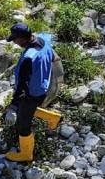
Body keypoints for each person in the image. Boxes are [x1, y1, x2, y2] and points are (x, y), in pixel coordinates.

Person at [4, 23, 62, 162]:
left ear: (23, 38)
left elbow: (22, 87)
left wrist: (12, 107)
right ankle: (53, 118)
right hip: (45, 85)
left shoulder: (29, 58)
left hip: (34, 92)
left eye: (15, 39)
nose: (14, 42)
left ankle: (26, 154)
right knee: (27, 109)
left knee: (23, 123)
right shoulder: (42, 40)